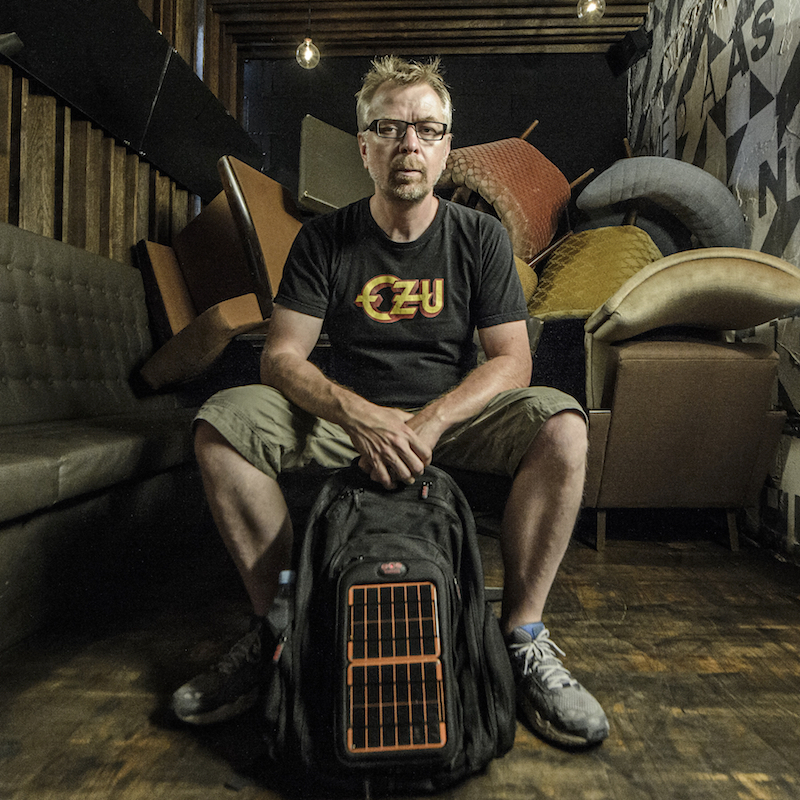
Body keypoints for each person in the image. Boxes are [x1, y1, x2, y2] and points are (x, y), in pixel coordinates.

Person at [171, 55, 609, 748]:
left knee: (562, 424)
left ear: (445, 147)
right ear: (364, 146)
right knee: (222, 425)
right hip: (349, 419)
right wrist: (360, 416)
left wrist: (431, 420)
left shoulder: (480, 239)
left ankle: (523, 635)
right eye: (390, 128)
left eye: (427, 129)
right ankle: (278, 621)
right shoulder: (324, 239)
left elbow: (512, 361)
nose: (409, 144)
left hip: (451, 419)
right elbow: (280, 357)